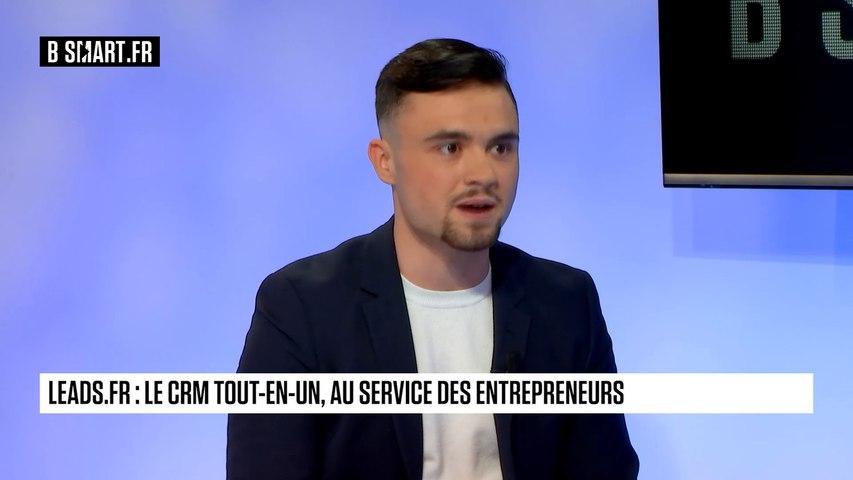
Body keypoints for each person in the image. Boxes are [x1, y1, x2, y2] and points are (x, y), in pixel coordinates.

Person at [227, 38, 639, 480]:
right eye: (450, 148)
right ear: (385, 162)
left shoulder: (566, 302)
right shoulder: (301, 307)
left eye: (501, 148)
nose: (483, 174)